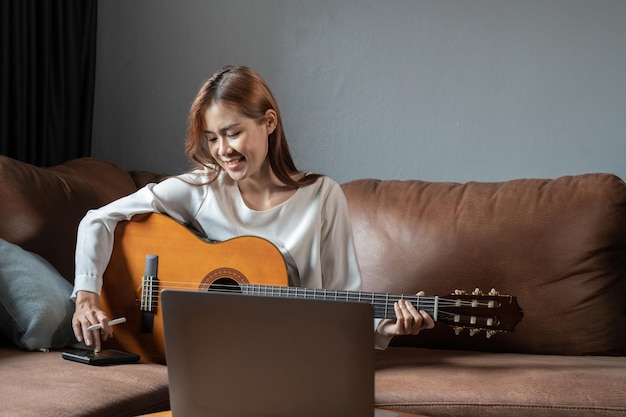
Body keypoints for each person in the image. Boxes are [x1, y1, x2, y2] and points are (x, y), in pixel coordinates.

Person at [71, 65, 434, 352]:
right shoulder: (203, 188)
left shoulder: (323, 196)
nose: (222, 149)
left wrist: (386, 326)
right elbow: (98, 219)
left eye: (232, 132)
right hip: (212, 350)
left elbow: (344, 302)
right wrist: (86, 296)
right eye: (212, 138)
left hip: (293, 353)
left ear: (269, 122)